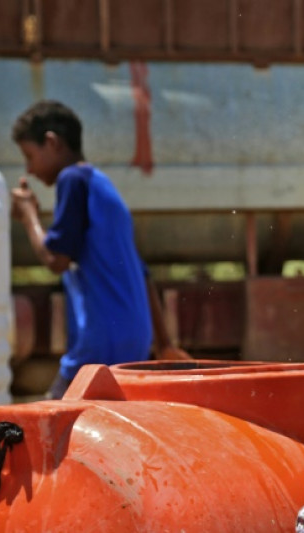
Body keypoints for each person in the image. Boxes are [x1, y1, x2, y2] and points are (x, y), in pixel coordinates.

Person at [10, 100, 190, 400]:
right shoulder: (102, 185)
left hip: (100, 341)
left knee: (56, 418)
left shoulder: (71, 180)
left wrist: (28, 215)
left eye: (30, 156)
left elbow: (56, 259)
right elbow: (142, 273)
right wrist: (164, 342)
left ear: (52, 143)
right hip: (134, 337)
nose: (29, 168)